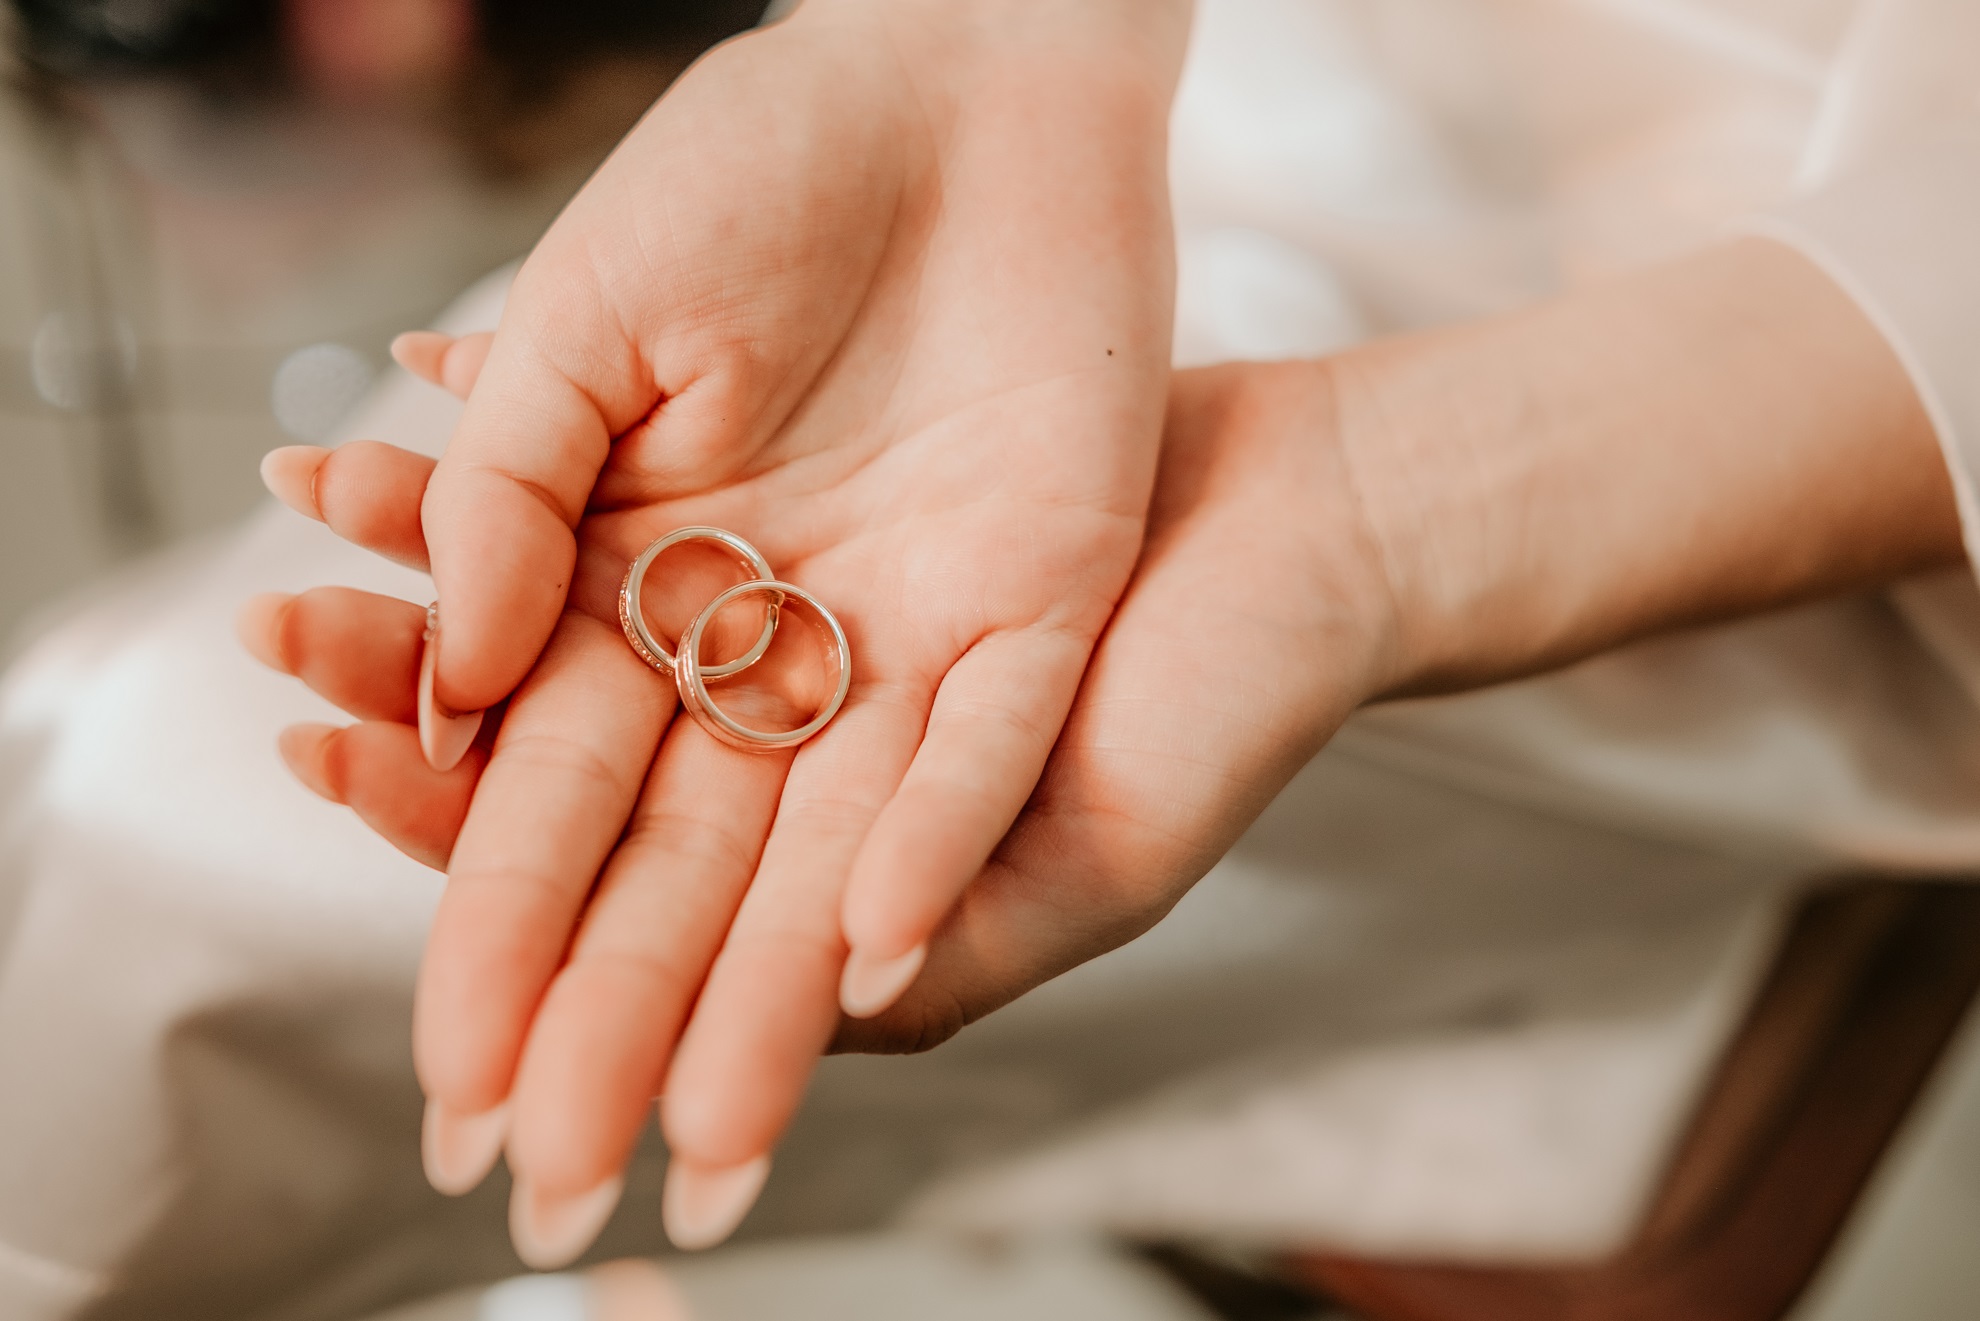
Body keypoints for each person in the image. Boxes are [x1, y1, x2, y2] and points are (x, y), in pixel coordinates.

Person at [4, 1, 1980, 1316]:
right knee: (146, 761)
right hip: (1162, 137)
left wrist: (1393, 506)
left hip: (1777, 366)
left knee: (175, 807)